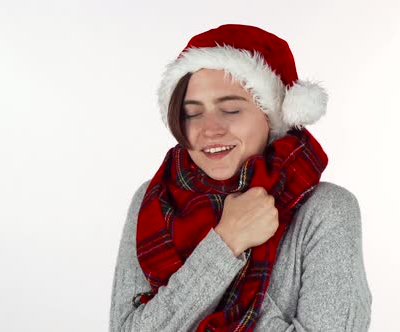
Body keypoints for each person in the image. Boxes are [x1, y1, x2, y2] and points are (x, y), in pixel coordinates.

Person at [109, 24, 372, 331]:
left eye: (231, 109)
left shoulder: (326, 211)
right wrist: (226, 241)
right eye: (192, 113)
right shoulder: (155, 200)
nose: (209, 129)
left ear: (270, 117)